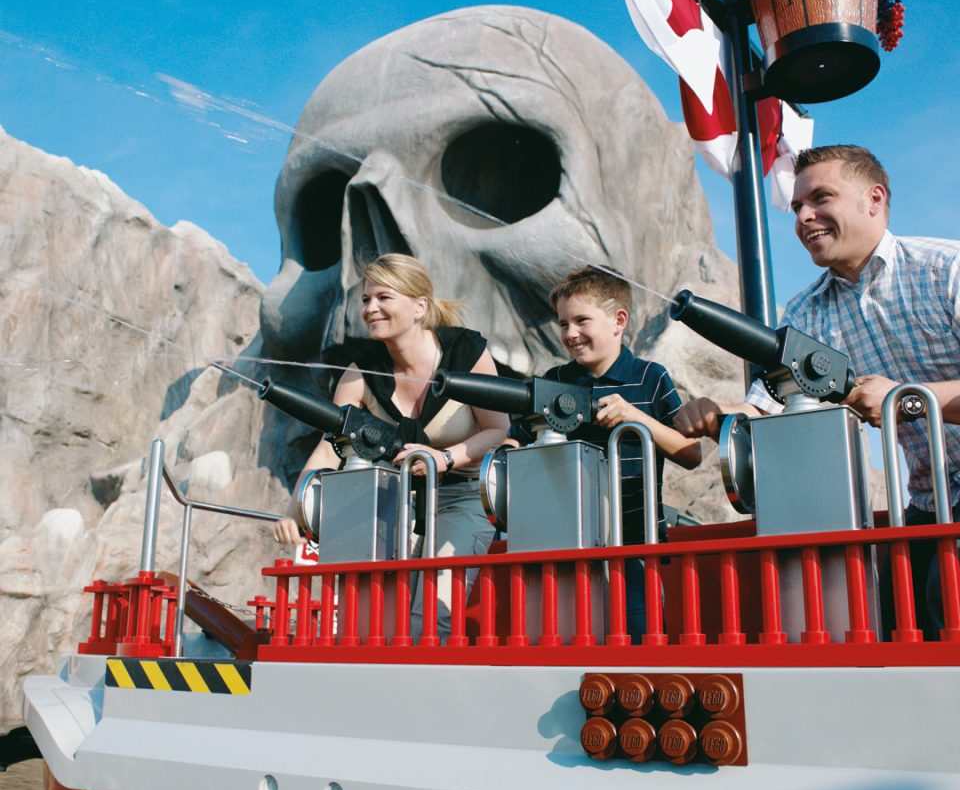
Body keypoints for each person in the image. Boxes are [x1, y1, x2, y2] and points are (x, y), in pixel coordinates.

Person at [675, 144, 960, 640]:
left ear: (874, 199)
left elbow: (907, 398)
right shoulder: (806, 312)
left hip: (938, 513)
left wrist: (908, 398)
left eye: (820, 199)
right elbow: (768, 407)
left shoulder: (947, 270)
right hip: (927, 503)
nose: (804, 217)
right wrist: (720, 415)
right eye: (797, 209)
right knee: (882, 619)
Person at [273, 253, 509, 639]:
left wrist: (445, 458)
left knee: (430, 619)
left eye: (383, 297)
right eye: (366, 300)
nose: (371, 308)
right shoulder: (362, 371)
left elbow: (498, 430)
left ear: (419, 307)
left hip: (461, 496)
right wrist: (297, 507)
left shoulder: (465, 352)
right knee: (370, 622)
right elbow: (330, 447)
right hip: (389, 502)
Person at [508, 266, 701, 641]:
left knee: (638, 641)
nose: (570, 334)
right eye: (563, 324)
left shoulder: (651, 376)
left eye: (581, 320)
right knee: (567, 641)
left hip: (635, 544)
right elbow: (515, 440)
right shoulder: (555, 381)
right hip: (566, 545)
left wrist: (636, 418)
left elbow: (691, 453)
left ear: (618, 321)